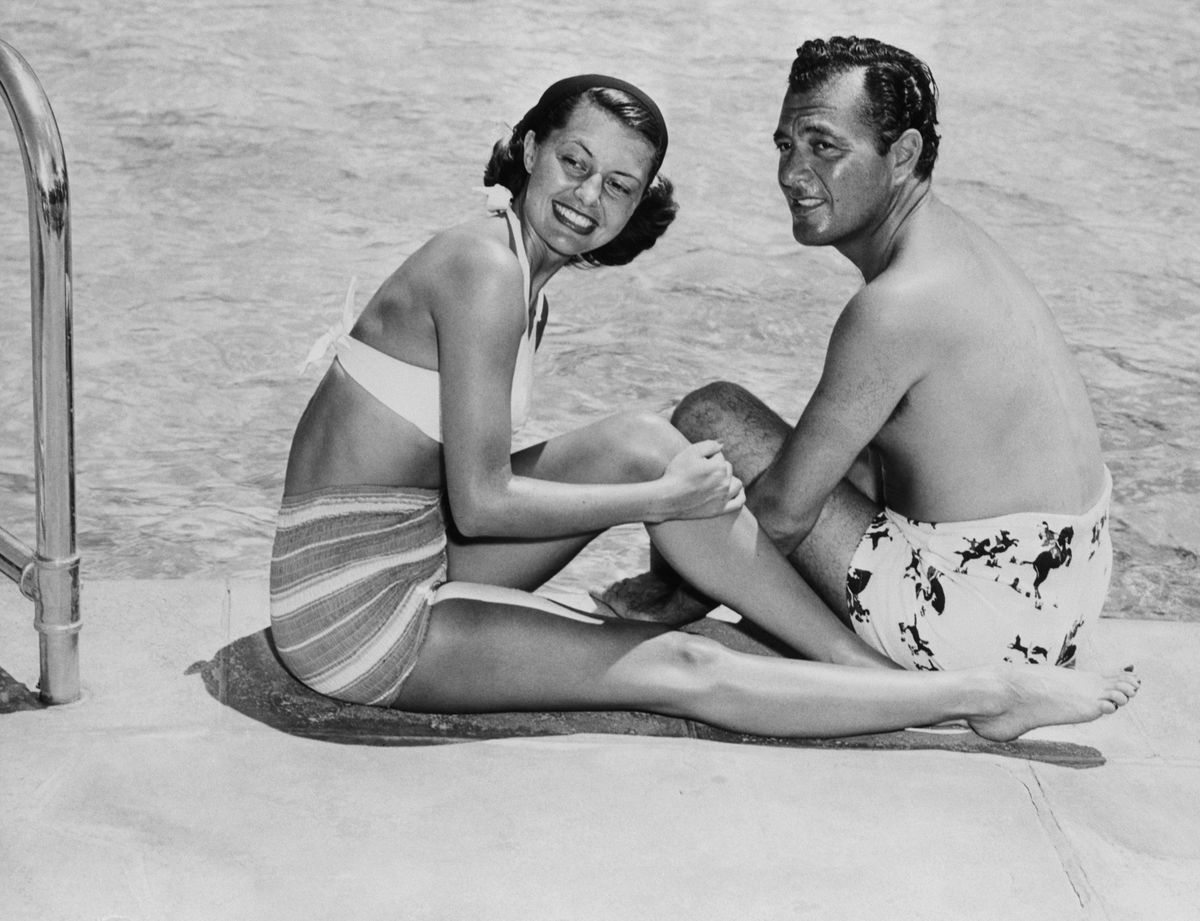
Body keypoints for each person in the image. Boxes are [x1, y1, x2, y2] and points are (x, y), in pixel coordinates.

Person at [269, 73, 1138, 741]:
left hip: (410, 551)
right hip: (358, 617)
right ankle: (975, 697)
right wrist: (659, 506)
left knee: (646, 441)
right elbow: (482, 501)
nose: (587, 199)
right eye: (574, 163)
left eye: (618, 185)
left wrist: (664, 493)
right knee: (688, 662)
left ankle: (854, 669)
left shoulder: (519, 271)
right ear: (530, 148)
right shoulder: (485, 270)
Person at [654, 37, 1118, 673]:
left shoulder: (896, 304)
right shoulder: (951, 245)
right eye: (785, 145)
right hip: (1056, 599)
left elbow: (786, 515)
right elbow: (879, 461)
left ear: (902, 155)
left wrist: (683, 591)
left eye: (824, 147)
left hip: (980, 624)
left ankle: (867, 674)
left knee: (710, 419)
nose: (792, 173)